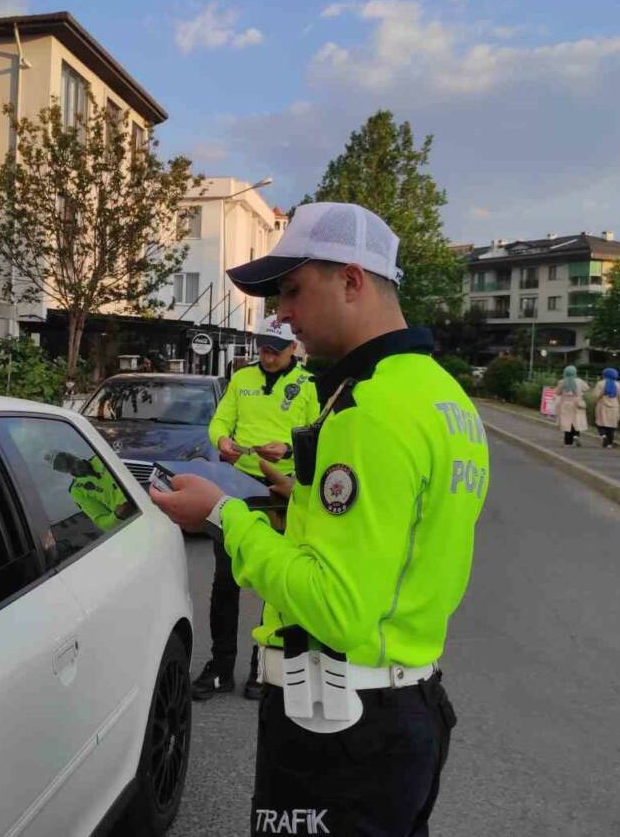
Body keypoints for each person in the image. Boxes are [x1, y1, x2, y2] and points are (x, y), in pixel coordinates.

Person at [150, 202, 485, 837]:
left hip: (340, 728)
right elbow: (391, 543)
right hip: (402, 711)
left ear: (352, 280)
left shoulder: (369, 409)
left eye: (293, 289)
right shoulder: (442, 396)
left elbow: (336, 607)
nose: (279, 313)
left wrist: (222, 515)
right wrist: (289, 489)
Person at [196, 314, 319, 702]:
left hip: (284, 489)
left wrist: (289, 447)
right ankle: (220, 666)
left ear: (292, 349)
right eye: (262, 348)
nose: (266, 356)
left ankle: (263, 666)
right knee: (225, 579)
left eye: (274, 350)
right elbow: (219, 421)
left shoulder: (309, 385)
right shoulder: (242, 379)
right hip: (238, 486)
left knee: (275, 580)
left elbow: (320, 433)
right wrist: (222, 441)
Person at [591, 367, 620, 449]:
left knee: (600, 423)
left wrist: (594, 402)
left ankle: (603, 436)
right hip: (614, 407)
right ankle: (610, 444)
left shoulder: (600, 383)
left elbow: (595, 396)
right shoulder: (618, 384)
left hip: (602, 406)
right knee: (611, 426)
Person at [553, 365, 589, 446]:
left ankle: (568, 442)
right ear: (575, 373)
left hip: (565, 403)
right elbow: (587, 388)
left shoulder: (562, 382)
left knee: (567, 422)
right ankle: (576, 435)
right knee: (576, 421)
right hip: (577, 403)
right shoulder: (580, 381)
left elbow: (557, 392)